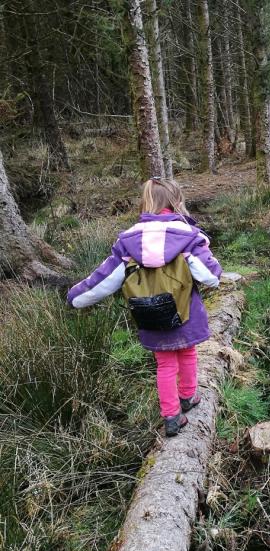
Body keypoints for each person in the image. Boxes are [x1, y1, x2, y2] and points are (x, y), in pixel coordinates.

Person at [67, 177, 222, 437]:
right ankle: (188, 396)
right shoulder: (188, 237)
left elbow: (103, 280)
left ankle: (171, 417)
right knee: (188, 353)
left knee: (164, 365)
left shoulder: (128, 241)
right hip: (186, 313)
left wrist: (75, 297)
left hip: (149, 314)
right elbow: (210, 276)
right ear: (176, 202)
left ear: (146, 202)